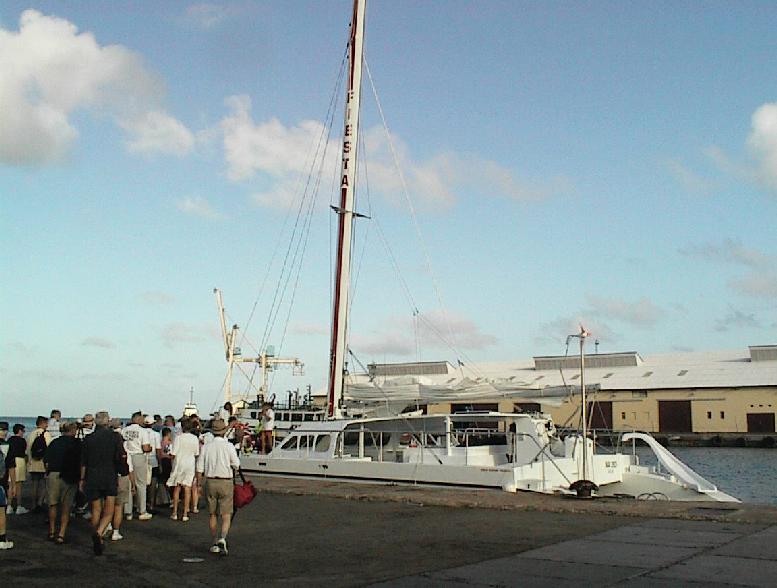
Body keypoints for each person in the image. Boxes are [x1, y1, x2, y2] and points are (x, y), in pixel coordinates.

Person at [81, 411, 125, 555]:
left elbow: (84, 461)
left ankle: (97, 534)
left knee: (96, 509)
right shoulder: (115, 437)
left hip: (92, 475)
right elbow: (120, 457)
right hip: (109, 475)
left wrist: (82, 479)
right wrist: (123, 471)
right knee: (109, 510)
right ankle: (99, 533)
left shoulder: (89, 438)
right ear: (107, 422)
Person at [196, 418, 240, 556]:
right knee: (226, 514)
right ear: (224, 431)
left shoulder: (206, 447)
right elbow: (236, 464)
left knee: (212, 514)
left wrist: (198, 485)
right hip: (226, 481)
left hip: (210, 481)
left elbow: (199, 468)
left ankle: (214, 542)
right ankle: (223, 537)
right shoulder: (229, 446)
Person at [44, 421, 81, 544]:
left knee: (52, 504)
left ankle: (51, 530)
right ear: (73, 430)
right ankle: (61, 533)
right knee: (66, 506)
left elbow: (46, 461)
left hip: (53, 474)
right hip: (70, 476)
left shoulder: (54, 442)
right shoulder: (77, 444)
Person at [167, 418, 199, 521]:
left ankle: (175, 512)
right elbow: (196, 453)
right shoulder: (195, 438)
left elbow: (173, 453)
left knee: (177, 487)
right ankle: (185, 513)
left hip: (179, 463)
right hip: (190, 464)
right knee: (187, 488)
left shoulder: (178, 438)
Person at [122, 412, 152, 521]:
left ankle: (128, 511)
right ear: (139, 419)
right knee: (141, 484)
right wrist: (150, 448)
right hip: (138, 456)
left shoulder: (124, 430)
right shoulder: (142, 431)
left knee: (128, 484)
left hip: (127, 456)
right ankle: (142, 510)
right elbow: (145, 447)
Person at [110, 419, 133, 542]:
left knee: (107, 505)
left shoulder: (108, 451)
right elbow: (130, 470)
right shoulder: (125, 452)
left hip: (110, 478)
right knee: (118, 506)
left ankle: (107, 526)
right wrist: (132, 484)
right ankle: (116, 531)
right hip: (122, 477)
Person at [26, 416, 51, 513]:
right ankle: (40, 503)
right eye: (46, 423)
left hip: (32, 463)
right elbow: (49, 448)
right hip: (42, 463)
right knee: (44, 484)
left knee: (34, 484)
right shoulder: (46, 434)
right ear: (43, 423)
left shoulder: (31, 434)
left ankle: (33, 504)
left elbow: (28, 450)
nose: (47, 425)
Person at [5, 424, 28, 514]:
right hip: (20, 461)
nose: (23, 433)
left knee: (10, 484)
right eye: (23, 431)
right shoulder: (22, 441)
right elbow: (24, 451)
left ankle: (9, 506)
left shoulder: (10, 439)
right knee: (18, 485)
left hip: (10, 460)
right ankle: (19, 506)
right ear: (20, 431)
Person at [0, 422, 12, 550]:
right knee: (1, 510)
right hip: (1, 483)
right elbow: (8, 467)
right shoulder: (6, 446)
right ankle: (2, 538)